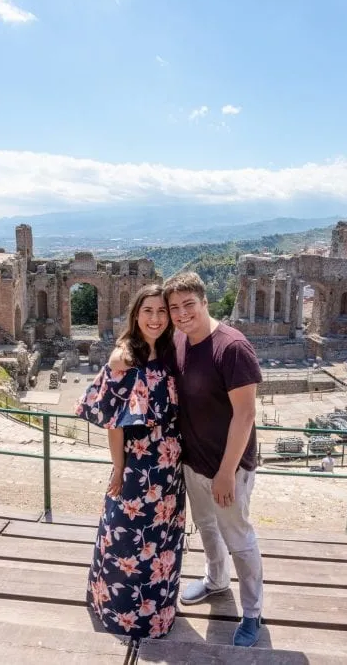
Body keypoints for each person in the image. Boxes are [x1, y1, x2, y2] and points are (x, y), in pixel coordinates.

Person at [110, 272, 265, 647]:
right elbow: (137, 353)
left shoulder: (232, 347)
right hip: (192, 462)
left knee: (238, 536)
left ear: (204, 301)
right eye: (174, 308)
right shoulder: (179, 341)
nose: (180, 314)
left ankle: (253, 613)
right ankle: (215, 581)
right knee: (207, 527)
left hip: (228, 466)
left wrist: (227, 471)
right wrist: (117, 353)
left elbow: (245, 415)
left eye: (187, 305)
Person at [75, 285, 186, 640]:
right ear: (135, 315)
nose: (155, 318)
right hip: (138, 466)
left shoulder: (171, 354)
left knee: (162, 543)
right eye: (147, 311)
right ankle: (119, 611)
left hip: (170, 466)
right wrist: (119, 468)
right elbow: (113, 422)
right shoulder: (123, 359)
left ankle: (157, 614)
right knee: (124, 539)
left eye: (161, 312)